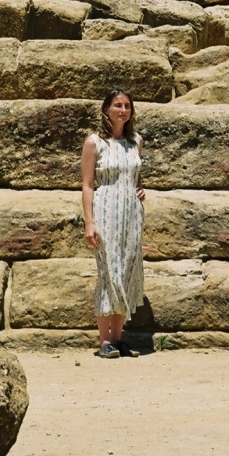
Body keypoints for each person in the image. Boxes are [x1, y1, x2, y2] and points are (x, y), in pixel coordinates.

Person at [81, 87, 145, 358]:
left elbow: (136, 177)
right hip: (105, 211)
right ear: (107, 109)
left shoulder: (136, 141)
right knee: (108, 272)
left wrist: (141, 189)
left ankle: (118, 340)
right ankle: (103, 341)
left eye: (127, 106)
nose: (123, 110)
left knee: (128, 271)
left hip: (131, 213)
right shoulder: (94, 142)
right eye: (117, 105)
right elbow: (87, 184)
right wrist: (89, 222)